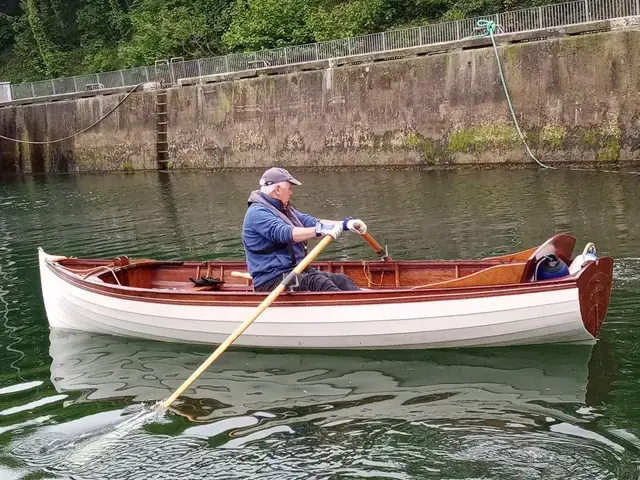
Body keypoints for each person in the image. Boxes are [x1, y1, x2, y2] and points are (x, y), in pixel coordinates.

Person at [242, 167, 367, 292]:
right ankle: (345, 308)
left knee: (342, 280)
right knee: (319, 283)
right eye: (289, 188)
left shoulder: (283, 209)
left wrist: (346, 224)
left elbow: (311, 222)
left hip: (295, 270)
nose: (291, 192)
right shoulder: (257, 213)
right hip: (272, 279)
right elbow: (285, 233)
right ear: (278, 189)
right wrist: (319, 230)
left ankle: (360, 305)